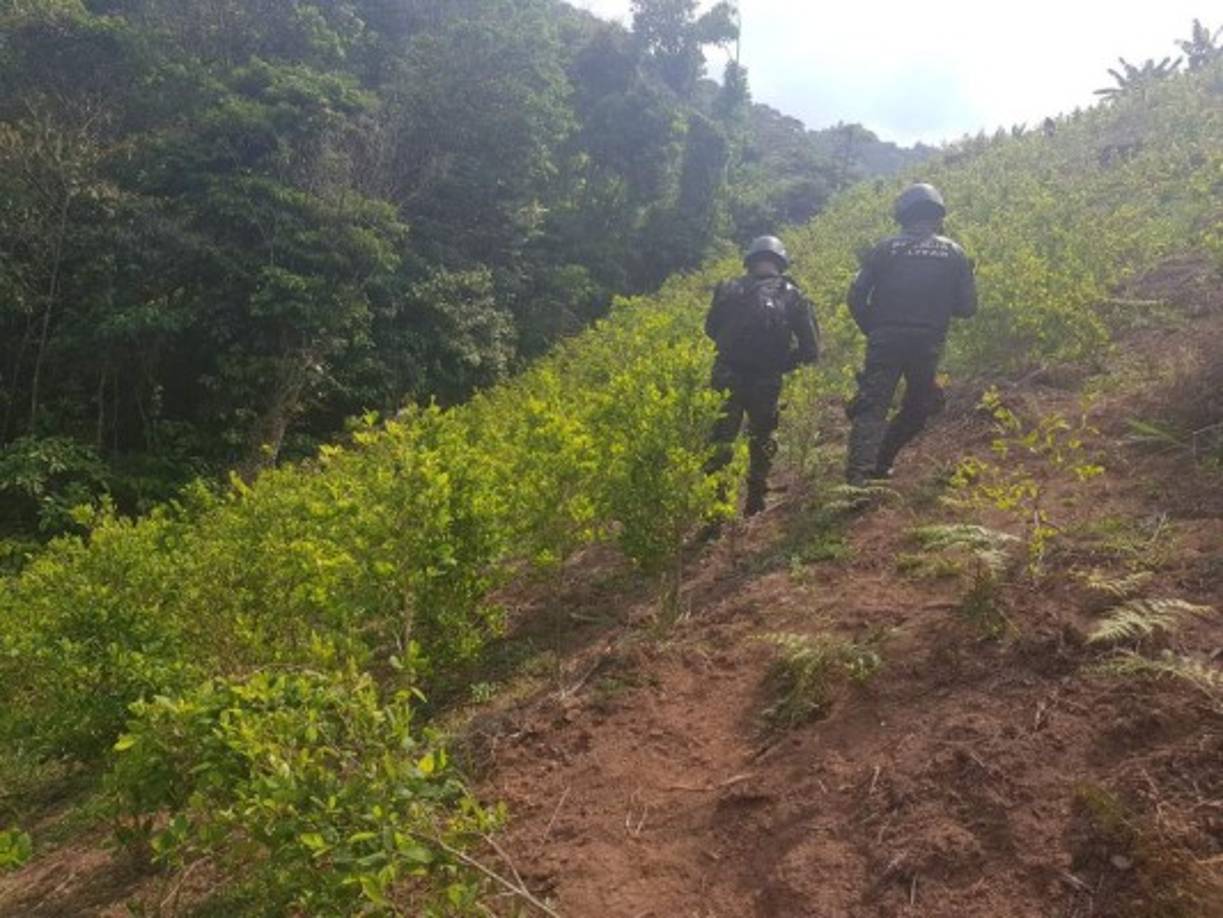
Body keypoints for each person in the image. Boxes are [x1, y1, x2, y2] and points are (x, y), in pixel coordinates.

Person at [845, 183, 977, 487]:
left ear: (903, 214)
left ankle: (858, 482)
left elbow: (855, 297)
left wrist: (874, 330)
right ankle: (883, 462)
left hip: (885, 341)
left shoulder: (884, 248)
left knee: (872, 407)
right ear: (938, 215)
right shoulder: (954, 252)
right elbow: (968, 308)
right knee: (919, 406)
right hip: (927, 344)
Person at [706, 235, 820, 516]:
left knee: (720, 442)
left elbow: (711, 330)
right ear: (780, 262)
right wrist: (783, 364)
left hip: (726, 374)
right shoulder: (793, 294)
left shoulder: (728, 287)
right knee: (762, 439)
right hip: (766, 379)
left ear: (750, 261)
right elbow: (811, 349)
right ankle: (756, 501)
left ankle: (714, 510)